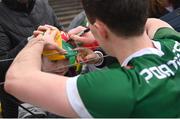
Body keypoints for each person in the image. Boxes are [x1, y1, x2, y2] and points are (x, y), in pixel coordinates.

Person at [4, 0, 180, 118]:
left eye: (89, 26)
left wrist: (37, 40)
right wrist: (100, 50)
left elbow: (16, 79)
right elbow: (153, 23)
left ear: (100, 29)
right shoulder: (172, 41)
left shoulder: (112, 86)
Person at [0, 0, 63, 117]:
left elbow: (60, 33)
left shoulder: (43, 4)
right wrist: (31, 42)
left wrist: (69, 38)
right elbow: (2, 65)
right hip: (20, 100)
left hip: (54, 90)